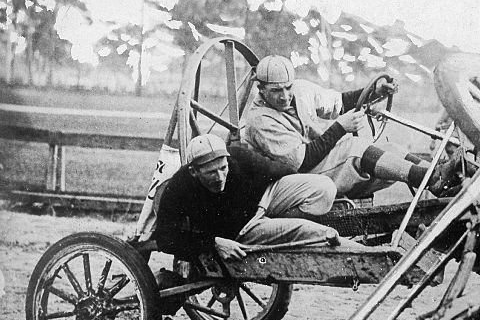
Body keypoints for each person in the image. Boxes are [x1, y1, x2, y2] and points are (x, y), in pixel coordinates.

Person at [239, 55, 456, 199]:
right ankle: (433, 179)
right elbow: (301, 162)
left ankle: (441, 179)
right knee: (355, 148)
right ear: (261, 88)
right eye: (276, 91)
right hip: (293, 181)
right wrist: (340, 128)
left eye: (288, 88)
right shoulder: (260, 121)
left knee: (391, 150)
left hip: (316, 166)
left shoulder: (301, 91)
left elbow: (340, 102)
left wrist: (375, 93)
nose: (285, 96)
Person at [154, 133, 344, 262]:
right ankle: (367, 253)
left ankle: (281, 222)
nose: (220, 177)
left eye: (223, 168)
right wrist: (213, 243)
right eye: (211, 172)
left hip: (263, 200)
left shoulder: (237, 157)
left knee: (325, 187)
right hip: (243, 231)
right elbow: (165, 238)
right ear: (194, 171)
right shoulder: (179, 187)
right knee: (309, 230)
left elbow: (277, 169)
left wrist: (294, 193)